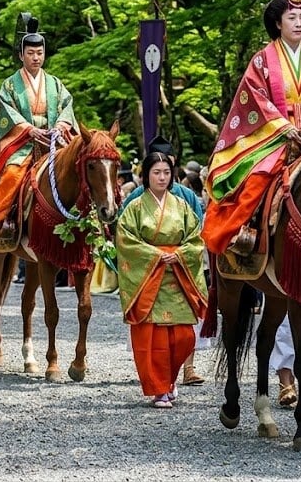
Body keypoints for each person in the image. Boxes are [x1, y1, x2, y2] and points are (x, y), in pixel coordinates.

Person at [203, 0, 301, 256]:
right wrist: (286, 129)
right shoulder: (262, 60)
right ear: (277, 23)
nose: (298, 24)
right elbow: (255, 98)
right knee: (255, 180)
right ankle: (245, 233)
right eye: (292, 18)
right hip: (276, 135)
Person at [116, 151, 208, 408]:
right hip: (148, 277)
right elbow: (125, 240)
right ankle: (159, 389)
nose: (162, 177)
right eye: (156, 172)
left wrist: (180, 253)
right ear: (146, 175)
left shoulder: (181, 206)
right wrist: (154, 255)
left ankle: (169, 379)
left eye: (166, 172)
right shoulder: (135, 207)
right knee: (152, 339)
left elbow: (195, 238)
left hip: (178, 275)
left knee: (183, 337)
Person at [0, 19, 76, 247]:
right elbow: (6, 113)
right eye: (30, 53)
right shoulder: (10, 85)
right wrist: (29, 130)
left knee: (76, 171)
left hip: (53, 142)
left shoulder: (55, 84)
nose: (36, 58)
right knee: (12, 175)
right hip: (23, 144)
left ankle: (84, 220)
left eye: (39, 53)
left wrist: (61, 125)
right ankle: (5, 222)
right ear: (21, 55)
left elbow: (67, 106)